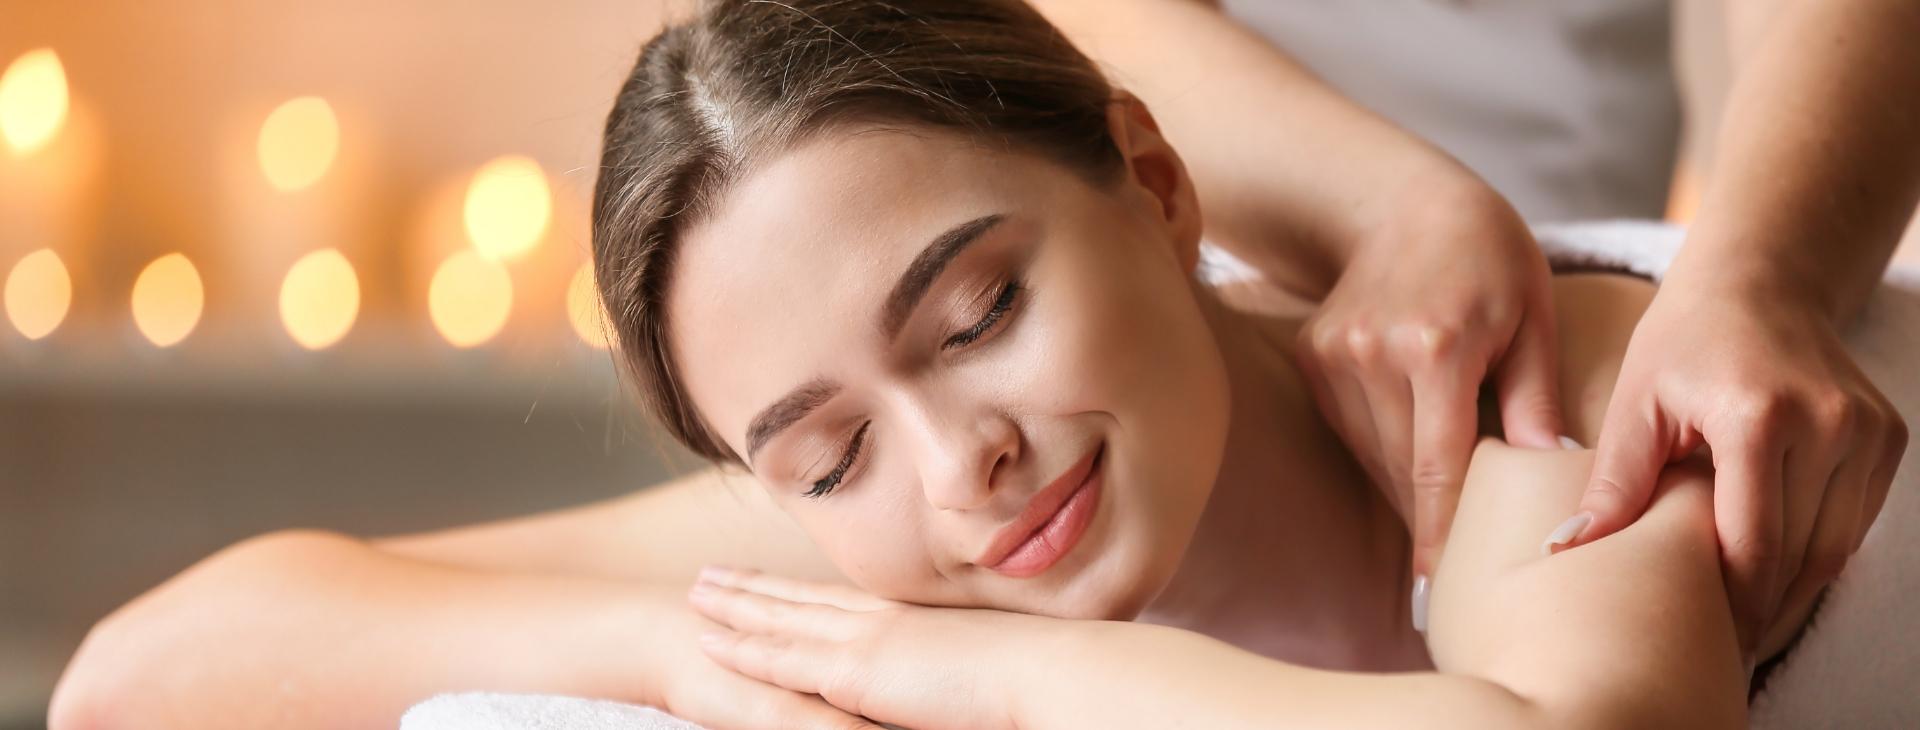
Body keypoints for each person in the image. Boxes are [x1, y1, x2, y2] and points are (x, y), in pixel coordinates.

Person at [48, 2, 1910, 727]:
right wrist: (659, 643)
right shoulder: (881, 510)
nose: (963, 467)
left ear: (1162, 190)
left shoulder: (1530, 424)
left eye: (977, 315)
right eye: (821, 455)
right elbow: (136, 680)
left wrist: (963, 675)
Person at [1021, 0, 1919, 657]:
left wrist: (1764, 279)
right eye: (865, 443)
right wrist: (1381, 205)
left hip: (1607, 329)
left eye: (986, 311)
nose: (956, 465)